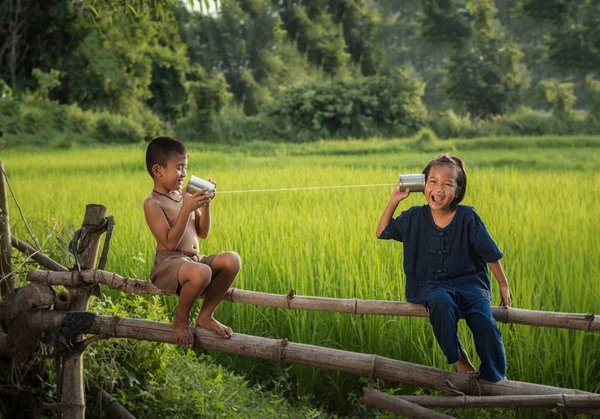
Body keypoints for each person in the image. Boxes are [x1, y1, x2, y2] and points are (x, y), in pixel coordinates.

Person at [376, 153, 511, 382]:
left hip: (470, 286)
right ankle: (459, 358)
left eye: (447, 184)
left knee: (485, 324)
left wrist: (503, 284)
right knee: (441, 302)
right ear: (422, 185)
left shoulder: (467, 216)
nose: (438, 189)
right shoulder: (414, 216)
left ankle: (495, 377)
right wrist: (394, 200)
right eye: (433, 181)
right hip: (429, 286)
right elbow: (382, 231)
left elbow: (489, 252)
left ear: (457, 191)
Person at [144, 136, 241, 347]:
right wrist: (187, 208)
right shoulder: (153, 203)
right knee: (202, 272)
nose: (184, 174)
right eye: (179, 168)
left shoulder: (183, 195)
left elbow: (203, 232)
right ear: (158, 170)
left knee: (232, 260)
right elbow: (169, 243)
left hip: (194, 261)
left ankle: (205, 315)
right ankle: (180, 319)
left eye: (185, 167)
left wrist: (205, 204)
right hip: (169, 264)